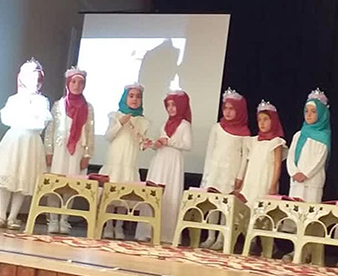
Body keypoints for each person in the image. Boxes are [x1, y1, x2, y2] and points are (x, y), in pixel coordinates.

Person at [0, 59, 52, 230]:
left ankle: (13, 217)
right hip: (14, 140)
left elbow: (40, 123)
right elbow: (7, 118)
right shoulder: (14, 99)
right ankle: (1, 215)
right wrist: (25, 118)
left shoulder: (41, 101)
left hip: (30, 142)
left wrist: (26, 118)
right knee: (7, 177)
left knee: (23, 179)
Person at [136, 90, 192, 243]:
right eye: (168, 105)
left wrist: (170, 142)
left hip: (173, 162)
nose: (171, 108)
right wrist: (153, 144)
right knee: (153, 193)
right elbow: (161, 144)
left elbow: (188, 145)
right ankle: (147, 231)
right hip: (159, 161)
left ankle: (166, 234)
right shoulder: (164, 125)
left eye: (174, 105)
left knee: (170, 194)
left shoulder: (185, 125)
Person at [44, 68, 95, 234]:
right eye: (73, 82)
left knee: (71, 185)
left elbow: (90, 132)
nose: (77, 85)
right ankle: (53, 218)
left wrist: (87, 154)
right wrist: (48, 151)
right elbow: (50, 130)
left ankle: (64, 219)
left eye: (81, 83)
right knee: (56, 184)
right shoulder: (58, 105)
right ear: (68, 84)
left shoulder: (88, 107)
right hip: (59, 150)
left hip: (77, 150)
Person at [199, 88, 251, 250]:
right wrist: (207, 175)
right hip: (216, 171)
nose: (227, 112)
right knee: (213, 205)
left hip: (231, 172)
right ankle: (210, 236)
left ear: (239, 110)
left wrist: (240, 176)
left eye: (232, 109)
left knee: (227, 206)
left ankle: (221, 238)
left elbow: (245, 156)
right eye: (225, 108)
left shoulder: (244, 132)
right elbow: (210, 151)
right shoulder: (217, 128)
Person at [98, 83, 150, 239]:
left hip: (130, 161)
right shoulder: (115, 115)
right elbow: (108, 136)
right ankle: (108, 225)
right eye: (131, 96)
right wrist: (120, 123)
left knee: (124, 196)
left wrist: (145, 144)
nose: (134, 99)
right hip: (115, 159)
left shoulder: (143, 121)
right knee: (111, 193)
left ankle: (119, 226)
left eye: (138, 97)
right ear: (125, 98)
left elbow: (140, 143)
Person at [287, 89, 331, 203]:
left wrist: (306, 174)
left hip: (312, 182)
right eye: (306, 111)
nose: (309, 114)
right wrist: (293, 172)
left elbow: (320, 159)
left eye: (313, 111)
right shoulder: (298, 134)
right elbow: (290, 156)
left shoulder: (323, 135)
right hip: (296, 180)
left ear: (321, 114)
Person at [238, 100, 286, 206]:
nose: (262, 123)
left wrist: (273, 185)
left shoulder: (276, 142)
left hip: (265, 180)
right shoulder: (253, 141)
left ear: (273, 121)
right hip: (251, 180)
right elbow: (249, 163)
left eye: (266, 119)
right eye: (259, 120)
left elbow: (277, 165)